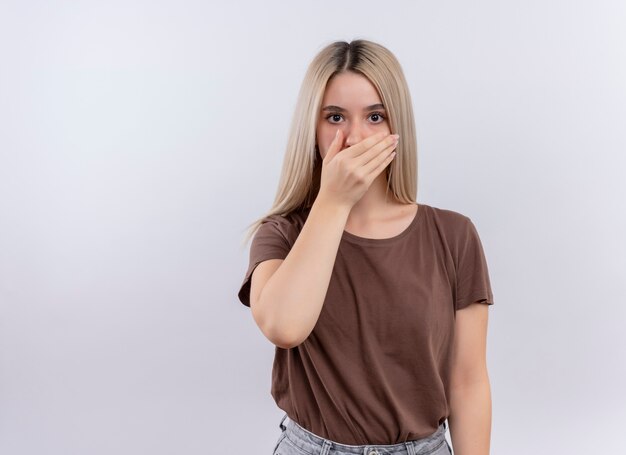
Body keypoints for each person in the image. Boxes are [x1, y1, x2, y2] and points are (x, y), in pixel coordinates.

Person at [237, 39, 494, 455]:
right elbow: (284, 327)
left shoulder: (453, 235)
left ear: (397, 128)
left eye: (375, 116)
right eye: (335, 117)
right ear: (312, 127)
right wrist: (334, 201)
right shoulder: (282, 233)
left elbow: (468, 382)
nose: (355, 137)